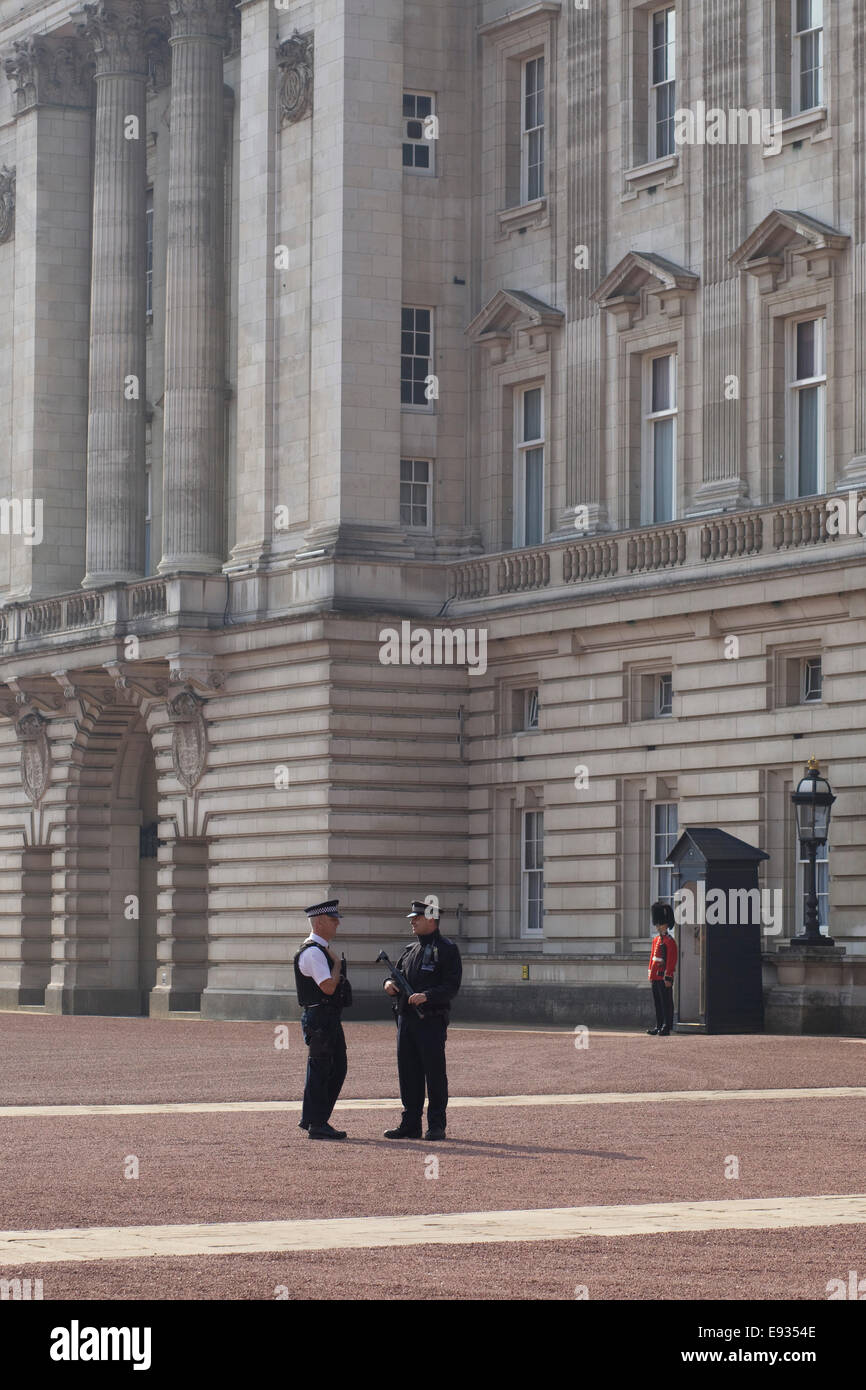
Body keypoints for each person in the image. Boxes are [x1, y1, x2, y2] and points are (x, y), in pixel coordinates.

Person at [383, 898, 462, 1141]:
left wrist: (427, 996)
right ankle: (410, 1123)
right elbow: (395, 976)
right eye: (412, 918)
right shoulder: (410, 951)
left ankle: (436, 1124)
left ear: (431, 919)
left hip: (430, 1020)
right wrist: (388, 984)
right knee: (408, 1073)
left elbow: (451, 987)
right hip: (406, 1020)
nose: (412, 922)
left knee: (434, 1073)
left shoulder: (448, 950)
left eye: (417, 918)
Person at [294, 899, 352, 1140]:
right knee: (324, 1069)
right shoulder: (314, 953)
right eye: (332, 919)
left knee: (332, 1067)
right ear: (319, 922)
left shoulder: (319, 950)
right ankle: (317, 1122)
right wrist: (337, 965)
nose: (337, 923)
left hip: (326, 1017)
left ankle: (313, 1118)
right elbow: (328, 987)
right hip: (320, 1018)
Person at [647, 900, 677, 1036]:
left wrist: (668, 976)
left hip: (663, 977)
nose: (658, 927)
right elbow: (652, 958)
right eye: (658, 924)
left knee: (666, 1003)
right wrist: (650, 974)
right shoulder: (656, 940)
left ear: (666, 924)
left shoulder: (670, 942)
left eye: (661, 924)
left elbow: (671, 961)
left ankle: (667, 1026)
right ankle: (659, 1025)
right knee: (658, 1003)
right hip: (655, 976)